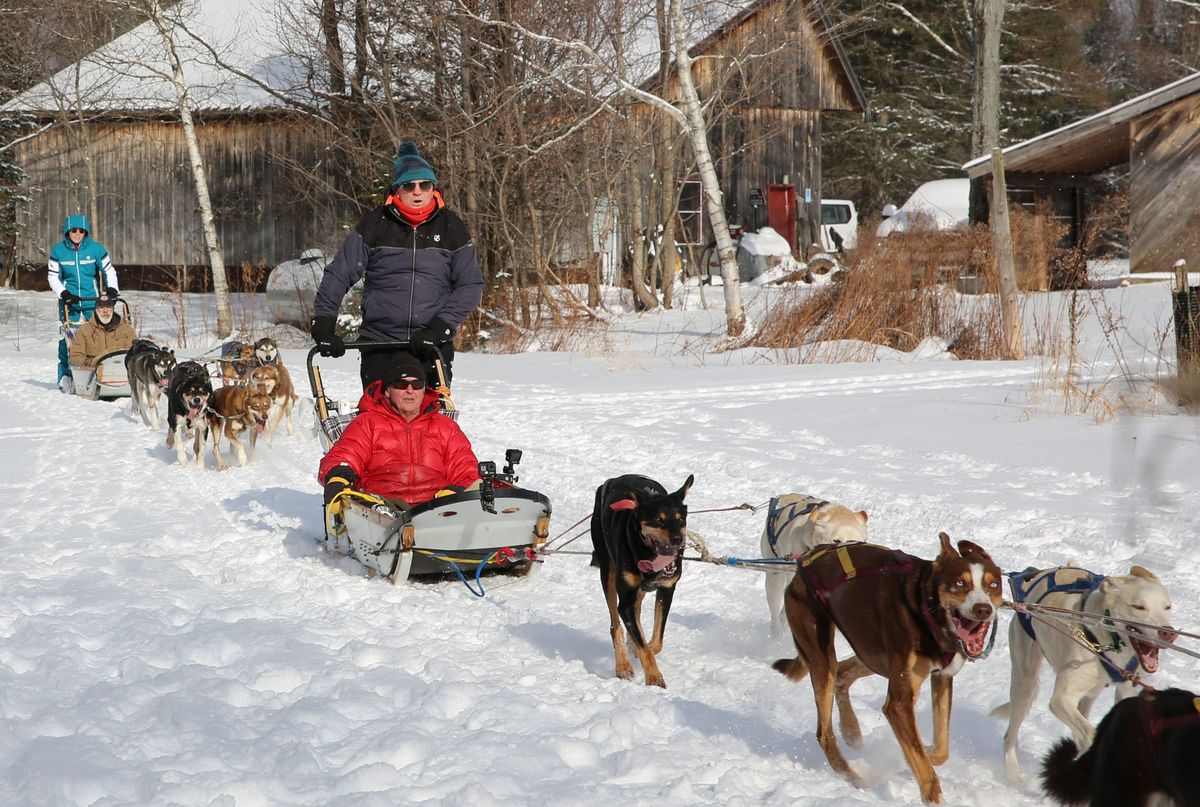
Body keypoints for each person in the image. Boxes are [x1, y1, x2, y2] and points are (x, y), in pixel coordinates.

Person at [310, 141, 484, 390]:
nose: (417, 191)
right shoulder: (375, 225)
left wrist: (440, 327)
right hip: (379, 343)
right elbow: (339, 274)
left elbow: (470, 285)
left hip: (430, 343)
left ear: (432, 188)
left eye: (424, 185)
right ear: (396, 189)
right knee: (378, 421)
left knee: (430, 422)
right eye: (409, 185)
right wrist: (324, 323)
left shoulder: (451, 227)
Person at [318, 354, 480, 510]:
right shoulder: (367, 422)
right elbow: (346, 453)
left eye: (417, 385)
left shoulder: (444, 426)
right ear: (387, 390)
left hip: (436, 505)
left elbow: (465, 468)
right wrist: (338, 476)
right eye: (401, 384)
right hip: (381, 505)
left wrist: (456, 492)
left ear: (424, 391)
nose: (410, 390)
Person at [49, 214, 119, 392]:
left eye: (81, 231)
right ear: (68, 231)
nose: (77, 234)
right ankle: (66, 375)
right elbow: (53, 277)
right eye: (74, 230)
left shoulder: (96, 249)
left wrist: (112, 290)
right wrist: (64, 293)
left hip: (91, 300)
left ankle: (100, 371)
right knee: (69, 339)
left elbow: (109, 271)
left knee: (99, 335)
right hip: (69, 301)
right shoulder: (58, 251)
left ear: (85, 232)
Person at [68, 292, 135, 368]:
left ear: (113, 310)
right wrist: (90, 362)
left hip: (121, 371)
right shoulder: (84, 330)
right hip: (93, 373)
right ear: (96, 310)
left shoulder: (126, 330)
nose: (105, 311)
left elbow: (135, 354)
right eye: (101, 308)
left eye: (109, 307)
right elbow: (75, 357)